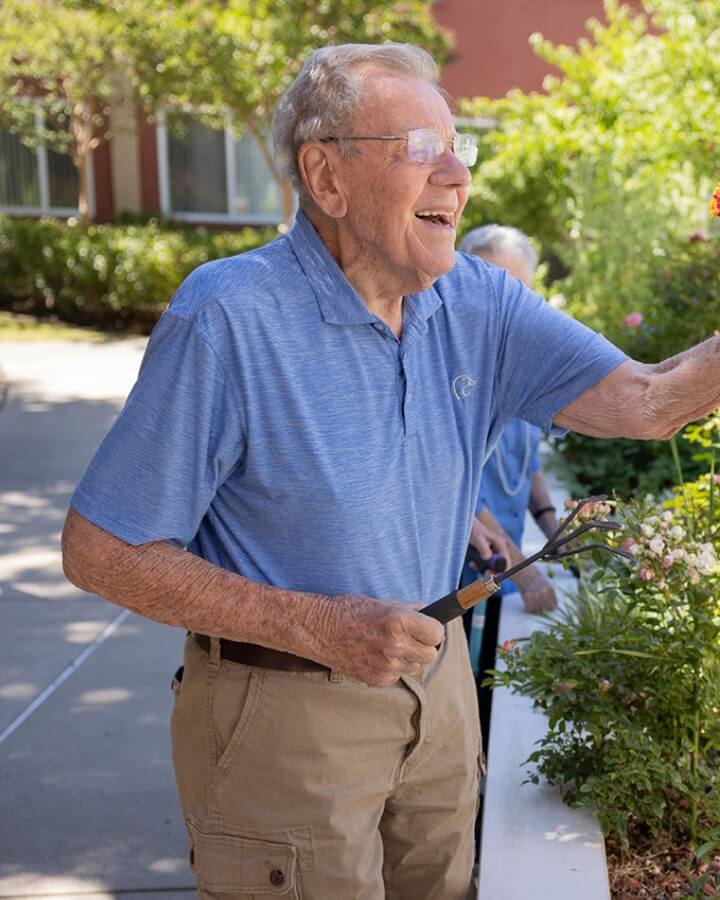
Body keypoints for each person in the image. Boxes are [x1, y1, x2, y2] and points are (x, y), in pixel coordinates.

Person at [61, 43, 720, 900]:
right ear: (327, 178)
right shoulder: (229, 317)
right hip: (285, 710)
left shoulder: (479, 301)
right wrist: (318, 625)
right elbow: (99, 550)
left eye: (460, 147)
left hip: (438, 690)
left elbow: (648, 400)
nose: (455, 173)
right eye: (421, 148)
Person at [458, 225, 559, 698]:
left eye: (519, 290)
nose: (506, 305)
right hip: (462, 583)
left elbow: (529, 460)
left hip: (510, 569)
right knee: (468, 694)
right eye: (492, 286)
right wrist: (526, 569)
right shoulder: (454, 371)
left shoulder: (520, 364)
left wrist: (551, 521)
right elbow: (458, 496)